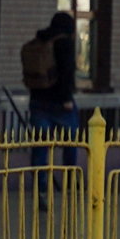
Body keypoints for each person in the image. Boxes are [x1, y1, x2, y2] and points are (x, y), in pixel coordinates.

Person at [21, 11, 78, 165]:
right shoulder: (64, 43)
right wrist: (66, 99)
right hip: (60, 103)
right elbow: (67, 72)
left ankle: (40, 185)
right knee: (71, 143)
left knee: (40, 145)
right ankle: (71, 180)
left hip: (38, 100)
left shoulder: (39, 41)